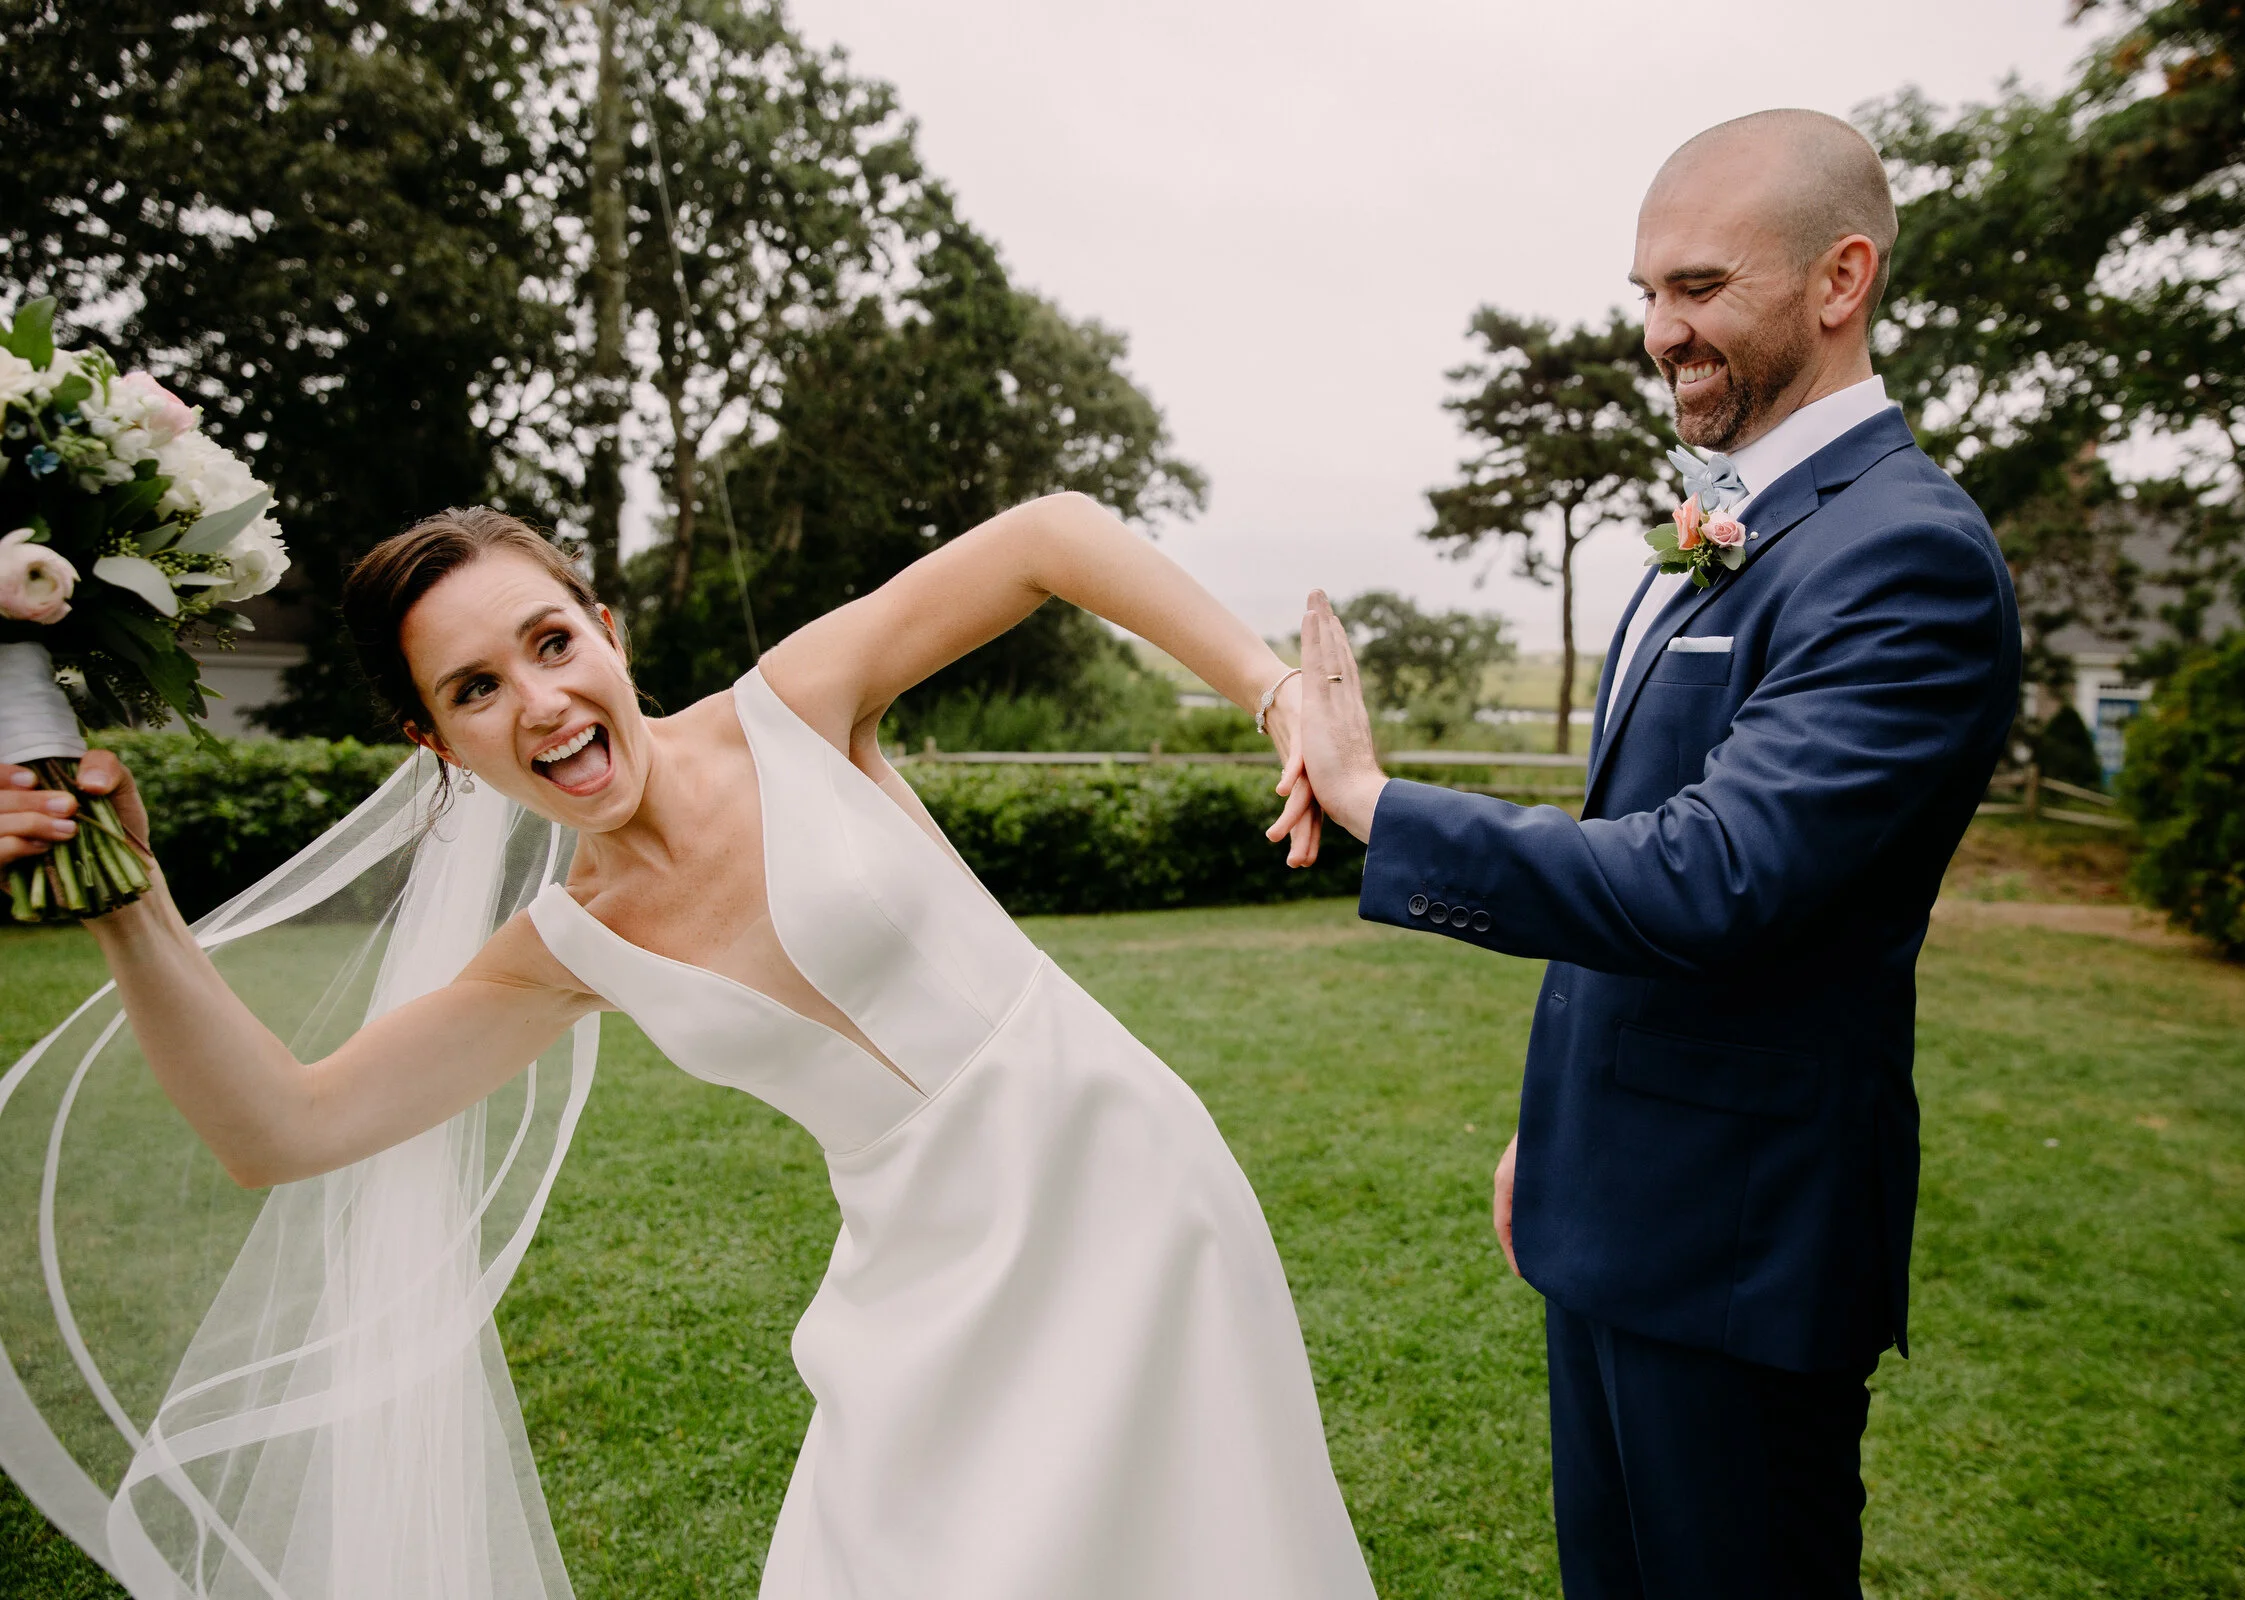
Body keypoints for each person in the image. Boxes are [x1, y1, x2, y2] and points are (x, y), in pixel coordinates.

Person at [0, 496, 1375, 1599]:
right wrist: (131, 901)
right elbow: (280, 1131)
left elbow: (1048, 537)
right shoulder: (566, 946)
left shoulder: (794, 708)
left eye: (551, 643)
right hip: (925, 1302)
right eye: (476, 689)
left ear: (607, 633)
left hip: (1134, 1200)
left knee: (1209, 1542)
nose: (540, 702)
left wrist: (1277, 699)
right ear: (439, 743)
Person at [1279, 110, 2021, 1598]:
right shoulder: (1737, 530)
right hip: (1622, 1202)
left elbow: (1711, 876)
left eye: (1698, 288)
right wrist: (1562, 1133)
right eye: (1645, 293)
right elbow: (1631, 856)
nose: (1658, 332)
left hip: (1742, 1248)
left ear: (1842, 279)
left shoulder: (1905, 556)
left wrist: (1375, 800)